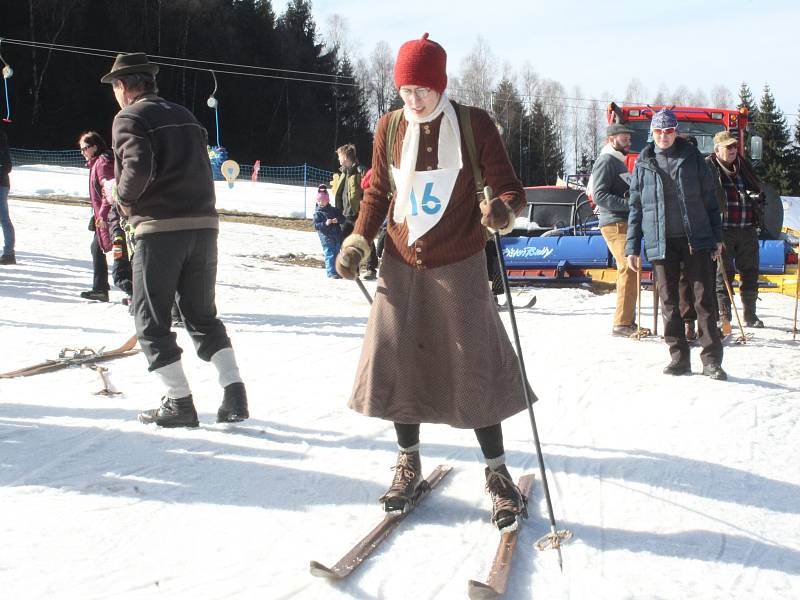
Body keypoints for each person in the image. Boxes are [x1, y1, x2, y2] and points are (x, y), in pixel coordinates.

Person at [335, 33, 530, 530]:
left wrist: (501, 211)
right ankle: (409, 461)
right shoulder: (389, 126)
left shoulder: (473, 123)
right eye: (405, 89)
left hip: (460, 260)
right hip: (400, 261)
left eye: (421, 88)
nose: (413, 98)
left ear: (440, 84)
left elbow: (509, 188)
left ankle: (497, 473)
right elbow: (377, 193)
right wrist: (359, 240)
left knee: (473, 362)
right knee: (399, 359)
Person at [101, 52, 248, 427]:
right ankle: (234, 394)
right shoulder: (188, 116)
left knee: (150, 321)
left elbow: (137, 167)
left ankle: (179, 403)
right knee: (201, 315)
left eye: (115, 87)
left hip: (159, 231)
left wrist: (119, 195)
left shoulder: (129, 117)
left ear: (123, 86)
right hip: (203, 227)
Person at [625, 109, 727, 380]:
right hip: (661, 242)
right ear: (652, 133)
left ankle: (711, 361)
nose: (663, 136)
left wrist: (717, 238)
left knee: (704, 300)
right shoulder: (643, 164)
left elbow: (711, 201)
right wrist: (631, 248)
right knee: (669, 302)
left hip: (697, 239)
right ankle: (679, 358)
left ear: (676, 131)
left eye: (668, 131)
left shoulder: (694, 159)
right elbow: (636, 208)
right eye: (658, 131)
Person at [707, 130, 765, 328]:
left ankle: (750, 315)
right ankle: (724, 316)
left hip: (747, 229)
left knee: (750, 272)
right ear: (717, 150)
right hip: (721, 230)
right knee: (723, 275)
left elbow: (759, 189)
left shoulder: (743, 166)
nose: (733, 150)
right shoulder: (708, 167)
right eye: (728, 147)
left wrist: (758, 197)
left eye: (734, 146)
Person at [590, 122, 638, 336]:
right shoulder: (606, 161)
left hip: (622, 222)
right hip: (614, 223)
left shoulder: (618, 161)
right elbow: (599, 195)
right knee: (627, 268)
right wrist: (630, 205)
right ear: (611, 140)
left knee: (632, 268)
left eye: (629, 136)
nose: (628, 139)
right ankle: (621, 323)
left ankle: (627, 321)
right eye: (623, 136)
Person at [78, 131, 133, 302]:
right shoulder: (97, 163)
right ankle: (100, 288)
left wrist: (101, 214)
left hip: (113, 218)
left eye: (85, 148)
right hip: (104, 217)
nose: (83, 152)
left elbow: (109, 191)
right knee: (96, 247)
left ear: (94, 146)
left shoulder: (102, 163)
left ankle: (134, 292)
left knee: (120, 260)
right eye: (81, 150)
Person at [331, 143, 379, 280]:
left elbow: (367, 189)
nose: (339, 159)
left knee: (365, 239)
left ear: (346, 157)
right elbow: (341, 193)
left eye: (340, 156)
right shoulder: (344, 172)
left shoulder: (360, 171)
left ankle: (371, 268)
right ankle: (353, 268)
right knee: (344, 240)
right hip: (346, 213)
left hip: (358, 213)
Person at [312, 184, 345, 278]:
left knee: (337, 254)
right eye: (319, 201)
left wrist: (337, 220)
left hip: (336, 237)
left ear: (327, 201)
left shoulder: (334, 210)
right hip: (326, 238)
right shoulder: (318, 213)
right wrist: (325, 223)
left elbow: (343, 218)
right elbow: (316, 225)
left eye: (323, 200)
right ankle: (331, 272)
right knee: (329, 254)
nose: (321, 203)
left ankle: (338, 271)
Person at [0, 124, 15, 265]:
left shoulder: (1, 137)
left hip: (1, 184)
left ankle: (9, 253)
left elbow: (7, 165)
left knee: (3, 218)